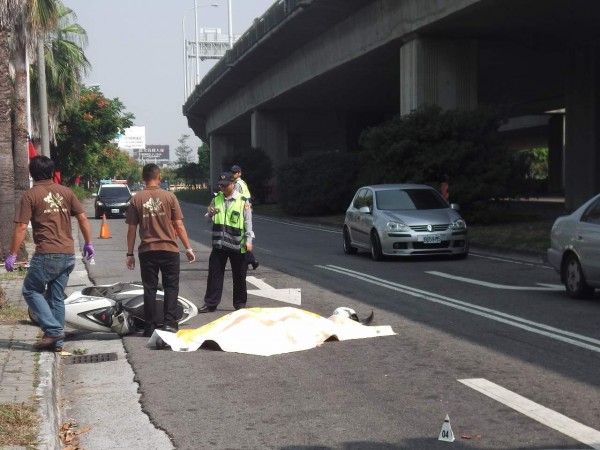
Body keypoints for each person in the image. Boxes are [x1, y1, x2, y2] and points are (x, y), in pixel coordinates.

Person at [4, 156, 94, 352]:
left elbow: (21, 227)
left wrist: (12, 254)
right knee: (56, 298)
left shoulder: (30, 195)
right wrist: (88, 243)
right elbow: (82, 219)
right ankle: (57, 343)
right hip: (68, 254)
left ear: (31, 173)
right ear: (52, 172)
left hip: (47, 253)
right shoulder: (66, 192)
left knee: (30, 290)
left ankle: (53, 330)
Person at [125, 163, 196, 336]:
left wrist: (129, 254)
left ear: (143, 178)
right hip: (169, 249)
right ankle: (169, 324)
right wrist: (188, 247)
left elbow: (132, 228)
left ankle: (149, 327)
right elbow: (178, 225)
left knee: (149, 288)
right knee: (171, 286)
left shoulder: (136, 199)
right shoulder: (169, 197)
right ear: (159, 177)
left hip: (147, 250)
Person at [200, 171, 254, 313]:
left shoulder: (243, 201)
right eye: (220, 185)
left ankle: (240, 304)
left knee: (240, 276)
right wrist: (210, 214)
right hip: (219, 244)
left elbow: (248, 223)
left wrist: (249, 240)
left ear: (233, 184)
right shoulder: (216, 199)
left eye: (225, 185)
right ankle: (210, 303)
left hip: (237, 244)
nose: (222, 188)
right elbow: (207, 218)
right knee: (214, 274)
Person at [230, 164, 259, 270]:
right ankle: (250, 260)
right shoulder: (243, 182)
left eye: (235, 172)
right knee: (242, 236)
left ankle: (249, 260)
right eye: (232, 172)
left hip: (242, 210)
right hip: (247, 208)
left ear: (239, 173)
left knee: (240, 235)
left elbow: (236, 198)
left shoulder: (237, 184)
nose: (233, 174)